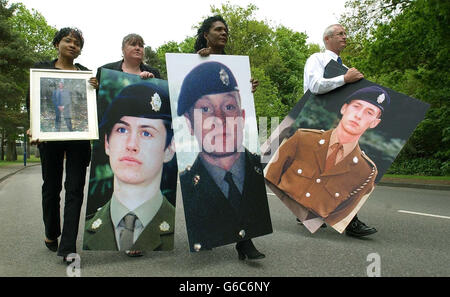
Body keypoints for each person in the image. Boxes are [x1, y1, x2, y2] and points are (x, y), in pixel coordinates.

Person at [178, 60, 272, 261]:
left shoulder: (257, 169)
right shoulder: (188, 183)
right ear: (189, 123)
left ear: (242, 115)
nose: (219, 119)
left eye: (229, 106)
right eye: (205, 109)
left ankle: (246, 241)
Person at [265, 86, 389, 235]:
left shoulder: (366, 171)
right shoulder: (303, 139)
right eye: (356, 106)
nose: (359, 116)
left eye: (369, 112)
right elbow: (271, 176)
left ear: (374, 123)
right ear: (344, 108)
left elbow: (342, 211)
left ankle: (346, 223)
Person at [27, 27, 97, 265]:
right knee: (51, 187)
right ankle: (51, 231)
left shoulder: (87, 75)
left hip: (78, 138)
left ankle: (68, 245)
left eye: (77, 43)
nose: (72, 45)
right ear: (57, 43)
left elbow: (93, 108)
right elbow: (34, 103)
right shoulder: (42, 70)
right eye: (68, 40)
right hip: (50, 136)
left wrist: (96, 90)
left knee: (75, 189)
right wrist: (33, 128)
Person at [301, 23, 376, 237]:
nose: (345, 37)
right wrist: (345, 79)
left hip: (337, 125)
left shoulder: (345, 69)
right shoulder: (317, 59)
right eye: (340, 34)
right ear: (327, 39)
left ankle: (309, 212)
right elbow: (314, 86)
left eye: (345, 34)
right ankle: (349, 220)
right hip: (316, 122)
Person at [83, 82, 175, 255]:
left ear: (169, 149)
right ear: (107, 143)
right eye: (122, 130)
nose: (132, 145)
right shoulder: (89, 228)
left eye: (146, 133)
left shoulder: (172, 227)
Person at [95, 33, 160, 117]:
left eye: (141, 46)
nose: (137, 48)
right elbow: (96, 103)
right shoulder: (105, 71)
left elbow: (160, 103)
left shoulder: (153, 73)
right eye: (133, 44)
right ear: (123, 49)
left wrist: (154, 83)